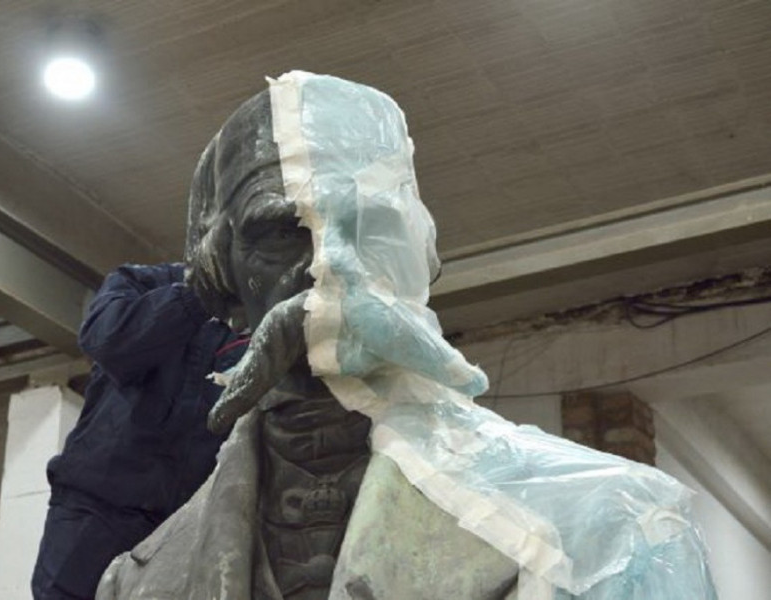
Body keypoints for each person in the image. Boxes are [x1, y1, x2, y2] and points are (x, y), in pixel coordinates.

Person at [98, 72, 716, 600]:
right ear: (225, 281)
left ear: (418, 257)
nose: (330, 267)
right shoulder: (132, 585)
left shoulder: (618, 527)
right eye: (283, 232)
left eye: (370, 225)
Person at [31, 262, 248, 600]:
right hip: (97, 509)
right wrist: (201, 296)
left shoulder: (264, 323)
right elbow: (108, 342)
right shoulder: (143, 282)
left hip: (180, 531)